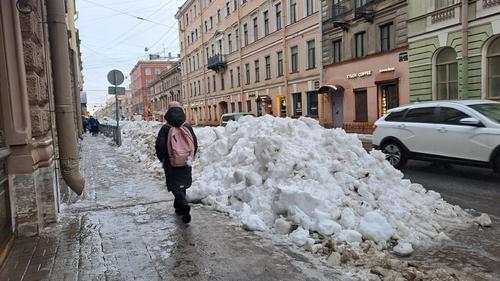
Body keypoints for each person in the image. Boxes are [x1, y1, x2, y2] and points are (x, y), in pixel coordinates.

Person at [155, 105, 197, 224]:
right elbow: (194, 142)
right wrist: (191, 157)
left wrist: (163, 159)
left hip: (171, 161)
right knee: (182, 183)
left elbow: (160, 146)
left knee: (175, 185)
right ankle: (179, 207)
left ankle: (183, 205)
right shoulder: (187, 126)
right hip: (186, 160)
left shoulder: (165, 128)